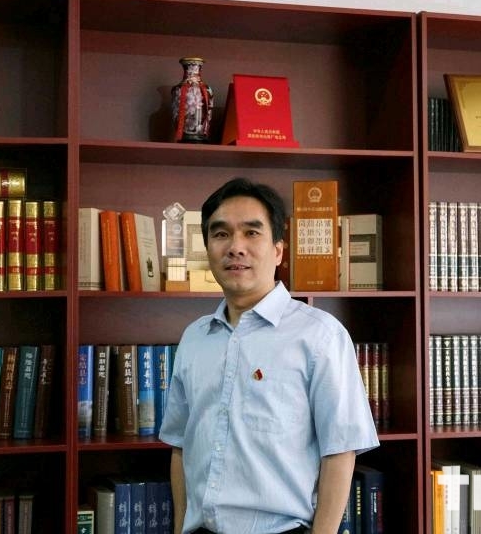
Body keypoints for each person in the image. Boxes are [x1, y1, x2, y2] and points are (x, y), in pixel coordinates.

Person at [158, 177, 379, 534]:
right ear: (208, 248)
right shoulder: (194, 338)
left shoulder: (320, 336)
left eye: (251, 233)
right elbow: (181, 445)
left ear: (278, 250)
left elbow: (340, 451)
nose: (235, 247)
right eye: (221, 234)